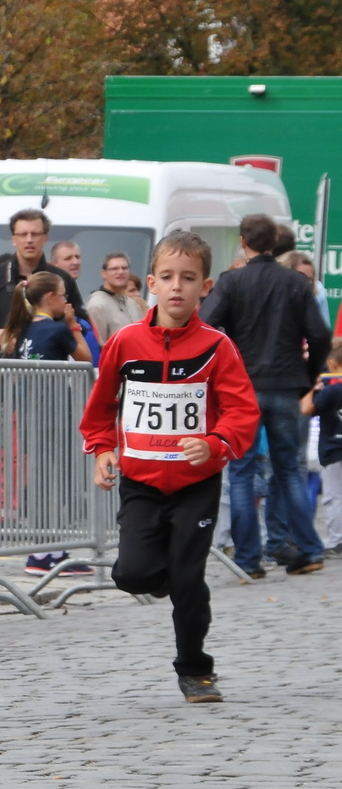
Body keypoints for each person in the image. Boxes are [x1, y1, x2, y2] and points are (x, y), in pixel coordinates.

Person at [81, 231, 259, 703]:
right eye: (167, 276)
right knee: (131, 575)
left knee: (186, 578)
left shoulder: (217, 346)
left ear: (206, 287)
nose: (177, 286)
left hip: (196, 482)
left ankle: (195, 670)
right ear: (151, 283)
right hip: (141, 481)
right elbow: (101, 406)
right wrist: (102, 449)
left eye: (189, 277)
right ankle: (169, 574)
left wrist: (215, 443)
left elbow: (242, 411)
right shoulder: (125, 342)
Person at [200, 213, 332, 576]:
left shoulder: (232, 282)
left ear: (243, 242)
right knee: (289, 469)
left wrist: (222, 365)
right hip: (287, 384)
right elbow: (319, 335)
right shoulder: (295, 282)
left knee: (241, 472)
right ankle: (309, 548)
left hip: (242, 386)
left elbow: (206, 324)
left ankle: (248, 559)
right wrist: (308, 374)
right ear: (274, 242)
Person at [0, 272, 93, 576]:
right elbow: (86, 358)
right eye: (64, 295)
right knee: (59, 481)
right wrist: (73, 324)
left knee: (41, 480)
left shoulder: (25, 329)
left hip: (31, 414)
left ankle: (47, 549)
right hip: (54, 414)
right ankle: (46, 553)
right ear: (50, 297)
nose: (67, 301)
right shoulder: (57, 329)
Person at [0, 208, 87, 360]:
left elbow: (81, 322)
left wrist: (52, 332)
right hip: (0, 370)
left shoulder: (61, 279)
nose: (29, 240)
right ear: (14, 239)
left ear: (45, 238)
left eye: (35, 234)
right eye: (23, 234)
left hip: (48, 371)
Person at [302, 345, 342, 557]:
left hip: (334, 450)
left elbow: (306, 409)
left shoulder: (331, 391)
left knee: (334, 496)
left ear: (333, 364)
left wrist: (311, 388)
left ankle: (337, 540)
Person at [88, 251, 146, 345]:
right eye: (115, 269)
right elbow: (98, 346)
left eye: (124, 268)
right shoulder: (97, 305)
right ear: (104, 273)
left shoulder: (133, 304)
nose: (120, 272)